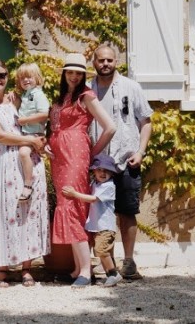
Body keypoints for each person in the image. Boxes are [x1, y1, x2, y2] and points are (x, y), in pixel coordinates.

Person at [0, 59, 50, 288]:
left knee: (28, 213)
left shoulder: (16, 98)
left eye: (2, 74)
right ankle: (2, 268)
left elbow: (36, 119)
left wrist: (39, 139)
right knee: (7, 213)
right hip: (6, 161)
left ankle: (26, 267)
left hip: (28, 159)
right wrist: (29, 139)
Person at [49, 52, 116, 288]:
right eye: (71, 72)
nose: (75, 76)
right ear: (65, 73)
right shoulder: (62, 96)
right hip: (59, 158)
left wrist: (92, 154)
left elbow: (110, 127)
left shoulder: (86, 95)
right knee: (68, 205)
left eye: (79, 72)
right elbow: (54, 124)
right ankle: (78, 266)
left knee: (72, 206)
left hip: (76, 155)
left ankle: (86, 271)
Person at [90, 43, 153, 280]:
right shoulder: (87, 90)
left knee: (127, 212)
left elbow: (146, 121)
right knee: (100, 214)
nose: (105, 64)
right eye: (100, 60)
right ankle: (108, 264)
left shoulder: (131, 87)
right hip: (99, 162)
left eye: (109, 60)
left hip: (127, 160)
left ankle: (129, 262)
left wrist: (141, 151)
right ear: (94, 62)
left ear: (116, 61)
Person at [62, 153, 122, 287]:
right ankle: (109, 275)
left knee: (101, 250)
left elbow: (93, 199)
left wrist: (74, 194)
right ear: (94, 171)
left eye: (107, 171)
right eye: (99, 169)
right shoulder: (95, 183)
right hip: (97, 226)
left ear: (112, 174)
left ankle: (114, 274)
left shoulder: (109, 186)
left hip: (105, 226)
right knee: (100, 250)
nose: (103, 173)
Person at [14, 62, 50, 202]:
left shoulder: (38, 95)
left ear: (37, 78)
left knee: (23, 153)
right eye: (22, 78)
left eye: (29, 77)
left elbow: (44, 114)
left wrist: (25, 120)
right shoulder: (25, 95)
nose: (26, 80)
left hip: (35, 134)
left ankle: (28, 185)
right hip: (26, 134)